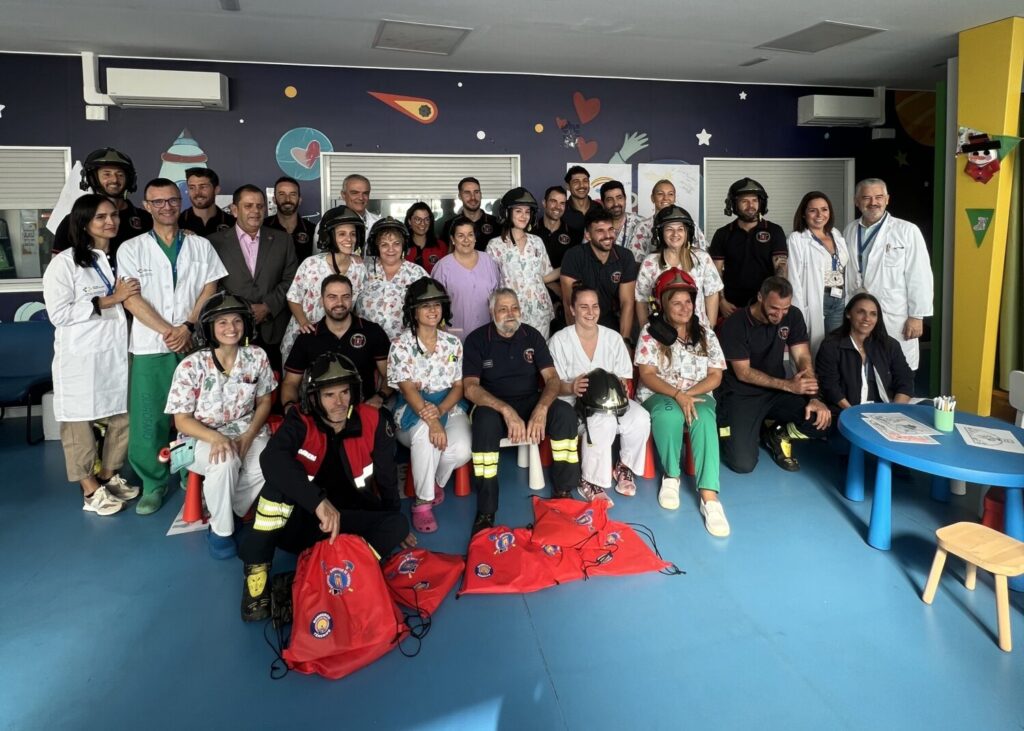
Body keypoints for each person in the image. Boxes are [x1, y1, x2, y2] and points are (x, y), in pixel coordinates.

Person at [237, 353, 413, 622]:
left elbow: (388, 479)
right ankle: (257, 573)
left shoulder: (374, 420)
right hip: (302, 523)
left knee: (398, 524)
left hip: (347, 522)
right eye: (330, 395)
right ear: (315, 397)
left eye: (345, 392)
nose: (340, 402)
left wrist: (392, 519)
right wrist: (318, 502)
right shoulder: (299, 420)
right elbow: (271, 459)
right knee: (276, 489)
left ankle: (332, 573)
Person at [117, 177, 227, 514]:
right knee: (149, 419)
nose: (166, 207)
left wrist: (189, 325)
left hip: (192, 342)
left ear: (179, 204)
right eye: (158, 202)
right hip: (152, 347)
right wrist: (170, 331)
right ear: (147, 206)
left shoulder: (199, 246)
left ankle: (188, 473)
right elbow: (131, 300)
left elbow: (210, 287)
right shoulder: (131, 249)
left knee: (193, 414)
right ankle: (153, 483)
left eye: (171, 201)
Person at [42, 194, 140, 516]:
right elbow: (58, 313)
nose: (110, 221)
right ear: (84, 223)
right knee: (78, 423)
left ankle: (108, 477)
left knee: (121, 417)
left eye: (113, 215)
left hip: (115, 354)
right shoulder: (65, 262)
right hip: (80, 359)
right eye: (100, 217)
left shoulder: (118, 259)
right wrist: (109, 300)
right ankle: (89, 491)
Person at [164, 294, 276, 558]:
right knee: (224, 460)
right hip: (197, 436)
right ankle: (221, 531)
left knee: (270, 461)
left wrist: (248, 436)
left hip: (247, 428)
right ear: (210, 328)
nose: (231, 328)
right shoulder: (191, 365)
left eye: (237, 321)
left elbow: (265, 401)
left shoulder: (256, 356)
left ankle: (231, 510)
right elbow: (181, 420)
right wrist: (216, 438)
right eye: (222, 322)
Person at [463, 288, 581, 533]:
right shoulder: (477, 339)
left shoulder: (532, 336)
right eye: (503, 309)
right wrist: (505, 410)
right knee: (483, 423)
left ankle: (563, 491)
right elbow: (471, 389)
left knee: (565, 415)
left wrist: (541, 408)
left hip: (529, 401)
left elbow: (552, 380)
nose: (510, 314)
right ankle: (486, 510)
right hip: (493, 405)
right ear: (492, 312)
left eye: (514, 308)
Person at [634, 269, 729, 536]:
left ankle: (709, 497)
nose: (684, 307)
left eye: (688, 301)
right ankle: (671, 476)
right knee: (669, 415)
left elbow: (716, 375)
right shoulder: (650, 333)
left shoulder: (706, 334)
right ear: (663, 304)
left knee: (703, 417)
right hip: (660, 394)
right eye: (676, 302)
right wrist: (678, 395)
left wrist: (689, 394)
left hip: (697, 394)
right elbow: (647, 374)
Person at [716, 276, 831, 474]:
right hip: (742, 394)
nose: (780, 314)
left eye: (785, 308)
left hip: (777, 391)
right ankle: (739, 427)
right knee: (742, 464)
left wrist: (814, 398)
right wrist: (788, 385)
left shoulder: (792, 316)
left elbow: (802, 356)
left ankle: (777, 433)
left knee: (823, 421)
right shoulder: (735, 323)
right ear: (760, 297)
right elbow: (743, 373)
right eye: (774, 308)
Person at [548, 286, 650, 504]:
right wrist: (571, 387)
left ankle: (624, 466)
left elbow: (625, 379)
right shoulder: (559, 341)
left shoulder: (613, 338)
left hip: (613, 402)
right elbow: (551, 384)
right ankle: (590, 481)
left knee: (640, 417)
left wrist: (620, 384)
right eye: (583, 306)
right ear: (572, 309)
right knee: (604, 423)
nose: (590, 311)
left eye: (594, 306)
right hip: (574, 406)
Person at [388, 279, 471, 533]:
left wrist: (441, 411)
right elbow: (408, 388)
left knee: (461, 450)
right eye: (425, 306)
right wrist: (433, 420)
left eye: (437, 304)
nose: (433, 310)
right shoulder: (401, 345)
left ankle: (434, 480)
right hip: (412, 408)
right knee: (426, 435)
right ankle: (422, 503)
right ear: (413, 311)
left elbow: (458, 386)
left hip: (447, 405)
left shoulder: (452, 344)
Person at [842, 177, 933, 371]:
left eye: (879, 197)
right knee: (861, 368)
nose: (873, 202)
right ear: (856, 201)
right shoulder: (849, 230)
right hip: (859, 312)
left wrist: (917, 316)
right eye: (866, 197)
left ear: (887, 199)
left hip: (894, 314)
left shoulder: (907, 230)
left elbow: (920, 276)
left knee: (897, 370)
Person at [209, 185, 298, 375]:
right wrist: (240, 310)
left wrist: (267, 306)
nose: (255, 211)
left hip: (273, 330)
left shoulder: (283, 240)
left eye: (259, 206)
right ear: (234, 210)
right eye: (248, 206)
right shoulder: (213, 243)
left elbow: (291, 280)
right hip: (231, 332)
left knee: (273, 392)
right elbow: (212, 285)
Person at [280, 274, 392, 411]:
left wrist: (380, 396)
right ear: (321, 300)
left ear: (352, 298)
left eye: (345, 297)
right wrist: (289, 407)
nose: (339, 303)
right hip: (320, 414)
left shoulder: (372, 332)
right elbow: (290, 383)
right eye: (332, 297)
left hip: (363, 410)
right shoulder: (307, 337)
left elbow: (390, 376)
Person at [280, 205, 367, 361]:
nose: (349, 239)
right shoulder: (311, 264)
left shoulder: (359, 267)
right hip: (304, 333)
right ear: (329, 236)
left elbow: (356, 306)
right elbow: (293, 297)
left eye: (352, 234)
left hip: (336, 337)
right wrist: (304, 322)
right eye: (342, 234)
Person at [51, 148, 152, 268]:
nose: (114, 179)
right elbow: (59, 268)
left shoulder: (145, 219)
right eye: (107, 174)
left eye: (120, 174)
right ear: (92, 178)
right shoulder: (74, 220)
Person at [815, 292, 915, 414]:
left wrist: (893, 413)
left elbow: (905, 380)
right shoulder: (831, 345)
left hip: (884, 410)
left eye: (873, 314)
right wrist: (852, 413)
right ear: (848, 314)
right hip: (845, 410)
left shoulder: (889, 345)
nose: (867, 318)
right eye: (861, 312)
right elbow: (830, 387)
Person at [787, 191, 856, 357]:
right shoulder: (797, 239)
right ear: (803, 214)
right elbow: (793, 277)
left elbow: (845, 267)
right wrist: (798, 310)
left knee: (835, 347)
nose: (820, 215)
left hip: (838, 300)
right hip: (815, 299)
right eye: (813, 210)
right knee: (812, 348)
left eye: (824, 209)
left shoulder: (837, 235)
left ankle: (830, 382)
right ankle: (811, 382)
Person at [709, 178, 788, 319]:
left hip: (765, 304)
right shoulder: (723, 234)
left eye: (754, 200)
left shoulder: (775, 231)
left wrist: (774, 301)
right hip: (732, 306)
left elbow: (780, 269)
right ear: (734, 204)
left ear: (761, 203)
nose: (751, 205)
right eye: (744, 201)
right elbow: (715, 272)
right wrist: (721, 301)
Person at [485, 187, 557, 338]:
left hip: (539, 313)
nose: (524, 216)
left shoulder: (537, 242)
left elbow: (545, 276)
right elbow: (490, 285)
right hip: (510, 314)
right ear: (507, 213)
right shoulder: (495, 245)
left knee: (539, 356)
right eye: (518, 211)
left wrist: (568, 266)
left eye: (527, 212)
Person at [559, 208, 638, 344]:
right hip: (579, 323)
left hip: (610, 322)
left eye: (610, 229)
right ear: (588, 235)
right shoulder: (574, 256)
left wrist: (624, 342)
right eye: (600, 231)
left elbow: (627, 303)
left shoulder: (625, 256)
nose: (608, 235)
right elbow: (569, 303)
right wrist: (577, 342)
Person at [636, 205, 721, 328]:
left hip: (697, 331)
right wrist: (645, 330)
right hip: (661, 332)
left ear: (688, 233)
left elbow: (712, 294)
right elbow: (642, 300)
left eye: (680, 229)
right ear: (660, 233)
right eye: (669, 229)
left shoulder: (702, 258)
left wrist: (710, 327)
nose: (675, 234)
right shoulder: (650, 262)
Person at [431, 216, 502, 342]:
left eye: (470, 235)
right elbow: (434, 305)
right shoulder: (442, 267)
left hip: (487, 335)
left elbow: (497, 297)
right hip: (454, 336)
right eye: (460, 235)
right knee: (455, 361)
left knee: (485, 361)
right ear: (453, 239)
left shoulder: (488, 261)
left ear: (475, 238)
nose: (466, 240)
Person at [357, 217, 429, 340]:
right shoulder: (362, 268)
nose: (391, 249)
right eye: (384, 244)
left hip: (405, 348)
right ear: (376, 247)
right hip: (365, 344)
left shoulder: (417, 273)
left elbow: (430, 309)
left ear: (404, 246)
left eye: (396, 243)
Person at [533, 185, 582, 330]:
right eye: (553, 201)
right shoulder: (531, 233)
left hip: (564, 300)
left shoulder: (574, 235)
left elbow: (574, 269)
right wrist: (554, 287)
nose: (557, 207)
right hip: (535, 299)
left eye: (562, 203)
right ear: (544, 203)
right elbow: (528, 271)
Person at [630, 179, 710, 256]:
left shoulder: (689, 224)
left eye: (670, 194)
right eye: (660, 194)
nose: (666, 198)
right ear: (652, 198)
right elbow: (636, 260)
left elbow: (703, 254)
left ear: (675, 198)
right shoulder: (642, 227)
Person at [264, 176, 317, 262]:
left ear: (299, 200)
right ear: (274, 199)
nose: (287, 199)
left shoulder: (312, 230)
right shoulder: (262, 228)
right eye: (282, 194)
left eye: (292, 194)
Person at [438, 177, 499, 250]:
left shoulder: (496, 224)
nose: (473, 197)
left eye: (476, 192)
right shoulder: (450, 225)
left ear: (481, 194)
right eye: (467, 193)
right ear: (460, 196)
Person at [178, 167, 235, 237]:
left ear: (216, 190)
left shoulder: (232, 223)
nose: (197, 192)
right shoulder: (177, 223)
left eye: (203, 187)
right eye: (192, 188)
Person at [600, 180, 648, 263]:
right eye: (610, 200)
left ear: (625, 199)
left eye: (619, 198)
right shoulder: (596, 227)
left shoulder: (642, 224)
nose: (616, 203)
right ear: (603, 203)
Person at [404, 202, 447, 273]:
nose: (423, 223)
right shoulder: (402, 247)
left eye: (426, 219)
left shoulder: (441, 246)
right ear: (409, 221)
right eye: (418, 219)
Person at [562, 165, 603, 237]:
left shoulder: (599, 208)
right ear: (568, 186)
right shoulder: (562, 209)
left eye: (585, 181)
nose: (581, 185)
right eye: (576, 182)